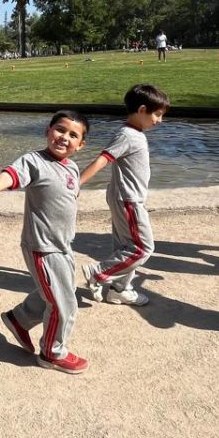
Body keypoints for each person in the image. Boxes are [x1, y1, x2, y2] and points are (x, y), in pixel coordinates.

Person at [0, 110, 90, 374]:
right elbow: (2, 179)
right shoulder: (34, 161)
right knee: (64, 304)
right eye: (59, 129)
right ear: (48, 130)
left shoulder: (71, 166)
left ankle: (18, 318)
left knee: (60, 291)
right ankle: (52, 353)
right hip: (42, 247)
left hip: (63, 245)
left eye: (73, 135)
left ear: (81, 145)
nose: (64, 137)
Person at [79, 84, 171, 307]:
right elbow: (103, 159)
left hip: (128, 197)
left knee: (125, 247)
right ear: (141, 110)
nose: (159, 120)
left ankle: (120, 289)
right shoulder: (128, 135)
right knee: (142, 247)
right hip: (128, 199)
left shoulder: (134, 133)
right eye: (157, 115)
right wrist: (77, 183)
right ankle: (98, 273)